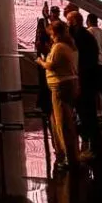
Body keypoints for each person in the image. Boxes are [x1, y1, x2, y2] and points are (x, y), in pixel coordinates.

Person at [37, 20, 80, 167]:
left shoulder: (59, 47)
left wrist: (41, 62)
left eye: (51, 34)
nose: (51, 37)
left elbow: (52, 65)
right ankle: (70, 152)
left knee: (63, 122)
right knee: (63, 119)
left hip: (61, 85)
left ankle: (69, 156)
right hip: (69, 83)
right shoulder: (70, 46)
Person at [65, 10, 101, 159]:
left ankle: (90, 145)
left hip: (84, 79)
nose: (67, 23)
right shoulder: (86, 36)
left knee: (86, 111)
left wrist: (78, 78)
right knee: (86, 111)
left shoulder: (80, 38)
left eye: (68, 20)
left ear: (74, 21)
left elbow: (82, 60)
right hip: (87, 78)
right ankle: (91, 144)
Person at [85, 13, 102, 115]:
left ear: (88, 21)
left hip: (96, 64)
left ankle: (99, 111)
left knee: (97, 90)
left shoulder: (88, 32)